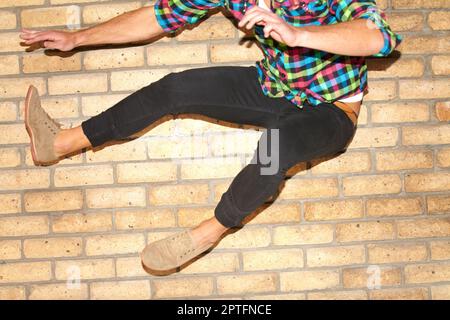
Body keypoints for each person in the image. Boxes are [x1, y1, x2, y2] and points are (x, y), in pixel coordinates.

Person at [20, 0, 402, 272]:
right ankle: (61, 143)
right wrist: (78, 38)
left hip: (331, 109)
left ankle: (210, 231)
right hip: (272, 87)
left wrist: (298, 33)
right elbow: (157, 17)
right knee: (175, 90)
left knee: (275, 147)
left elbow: (378, 37)